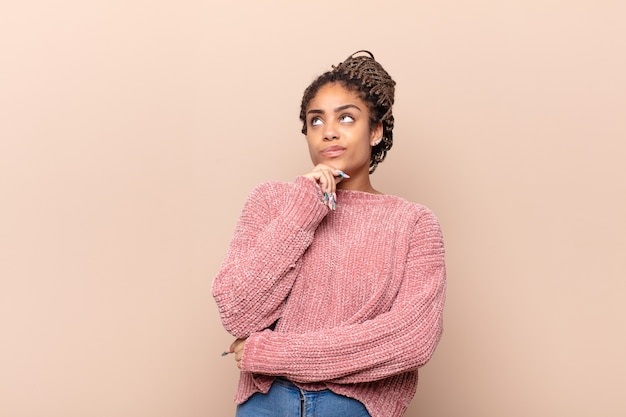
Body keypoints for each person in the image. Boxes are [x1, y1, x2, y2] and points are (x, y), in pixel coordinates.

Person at [212, 50, 446, 417]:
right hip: (266, 404)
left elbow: (411, 339)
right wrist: (306, 208)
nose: (330, 131)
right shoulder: (272, 201)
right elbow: (238, 312)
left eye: (347, 118)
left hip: (353, 407)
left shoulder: (413, 223)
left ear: (377, 131)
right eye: (316, 120)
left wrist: (273, 353)